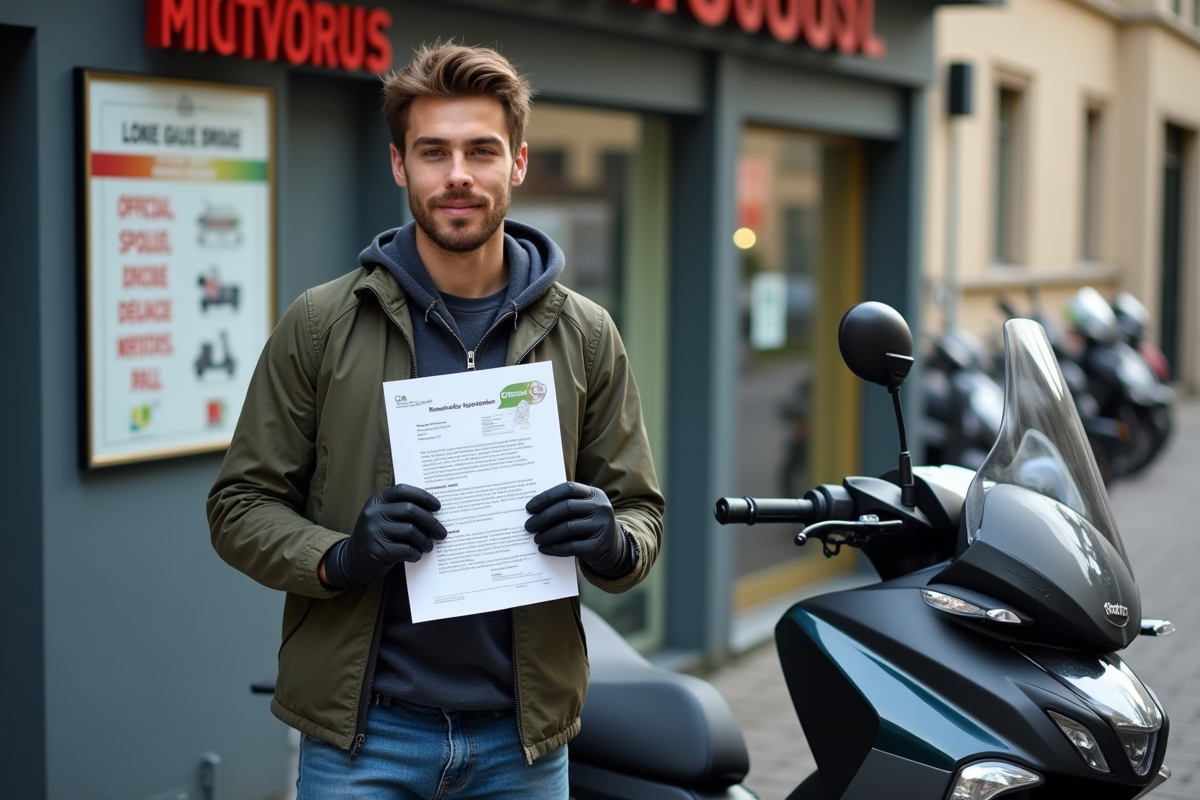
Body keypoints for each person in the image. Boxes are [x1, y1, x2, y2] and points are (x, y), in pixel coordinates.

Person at [206, 41, 663, 799]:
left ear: (518, 163)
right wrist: (340, 557)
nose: (458, 175)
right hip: (364, 741)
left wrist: (611, 541)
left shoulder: (585, 333)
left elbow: (641, 512)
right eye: (433, 152)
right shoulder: (320, 323)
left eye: (481, 150)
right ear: (399, 165)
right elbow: (238, 507)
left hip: (522, 744)